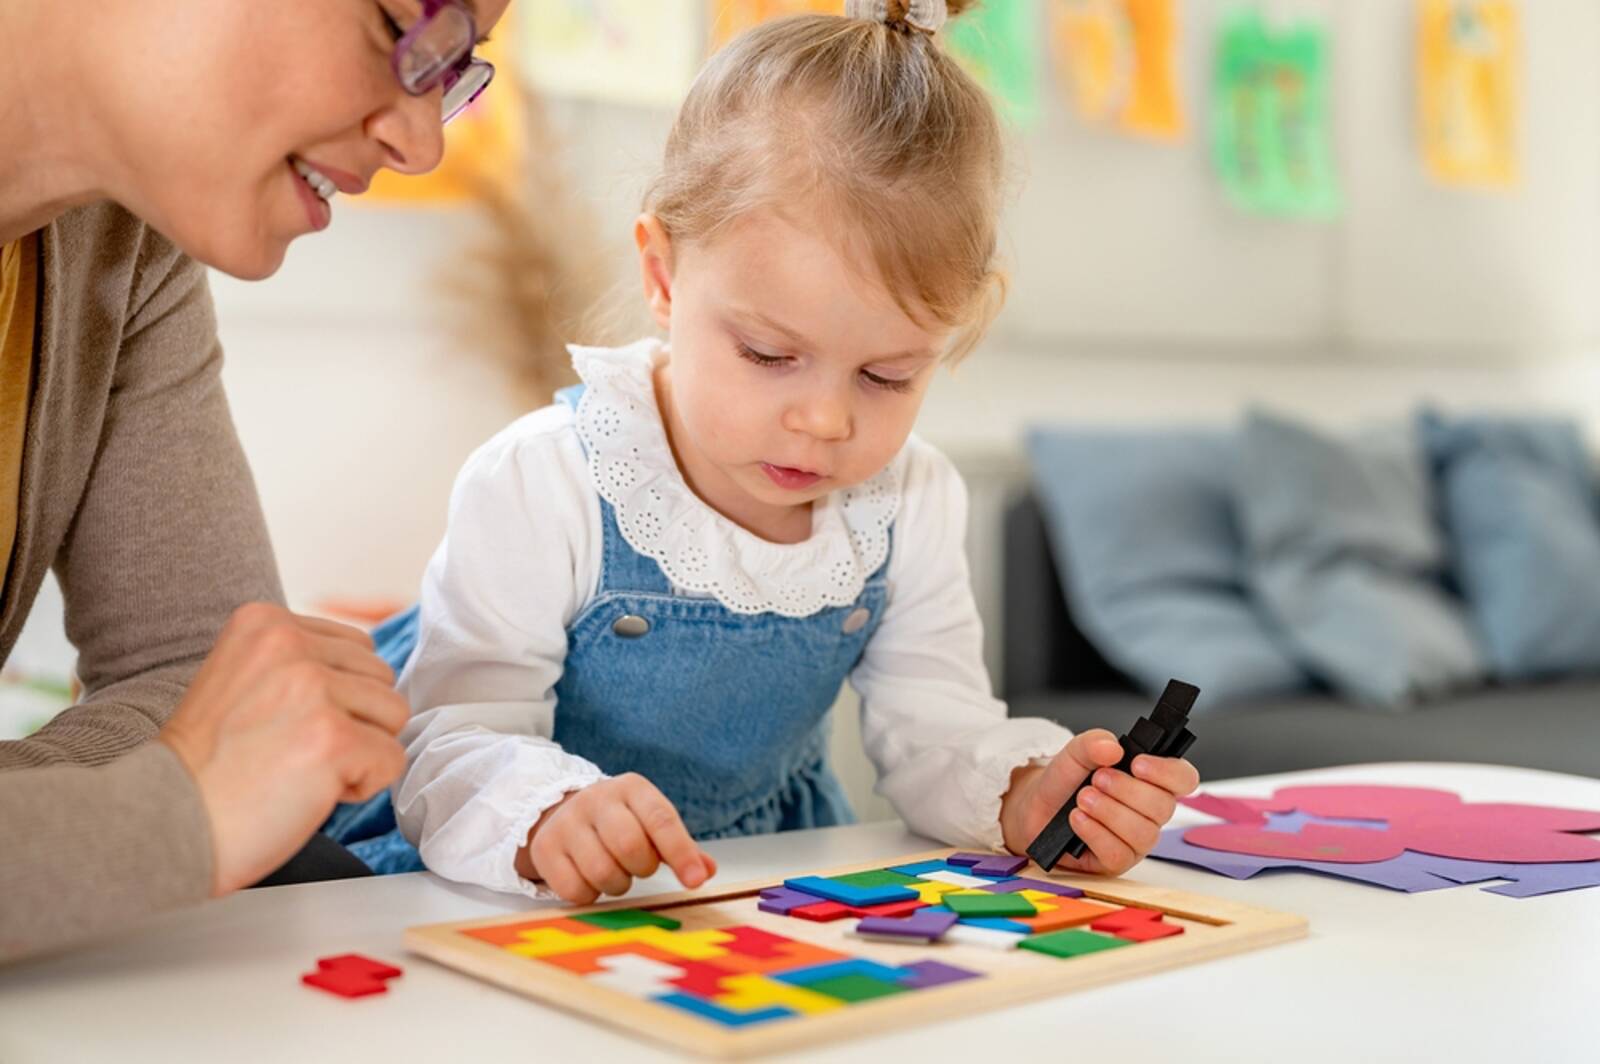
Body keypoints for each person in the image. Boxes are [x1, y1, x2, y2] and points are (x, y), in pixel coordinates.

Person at [374, 0, 1201, 904]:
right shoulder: (543, 480)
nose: (824, 421)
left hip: (758, 896)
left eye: (886, 376)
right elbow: (452, 743)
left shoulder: (909, 498)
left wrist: (1029, 797)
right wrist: (547, 817)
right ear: (662, 275)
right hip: (517, 900)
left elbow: (937, 732)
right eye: (769, 355)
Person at [0, 0, 509, 963]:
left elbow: (201, 676)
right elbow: (209, 760)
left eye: (449, 70)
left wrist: (99, 818)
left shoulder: (122, 240)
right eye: (401, 27)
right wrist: (169, 809)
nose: (420, 143)